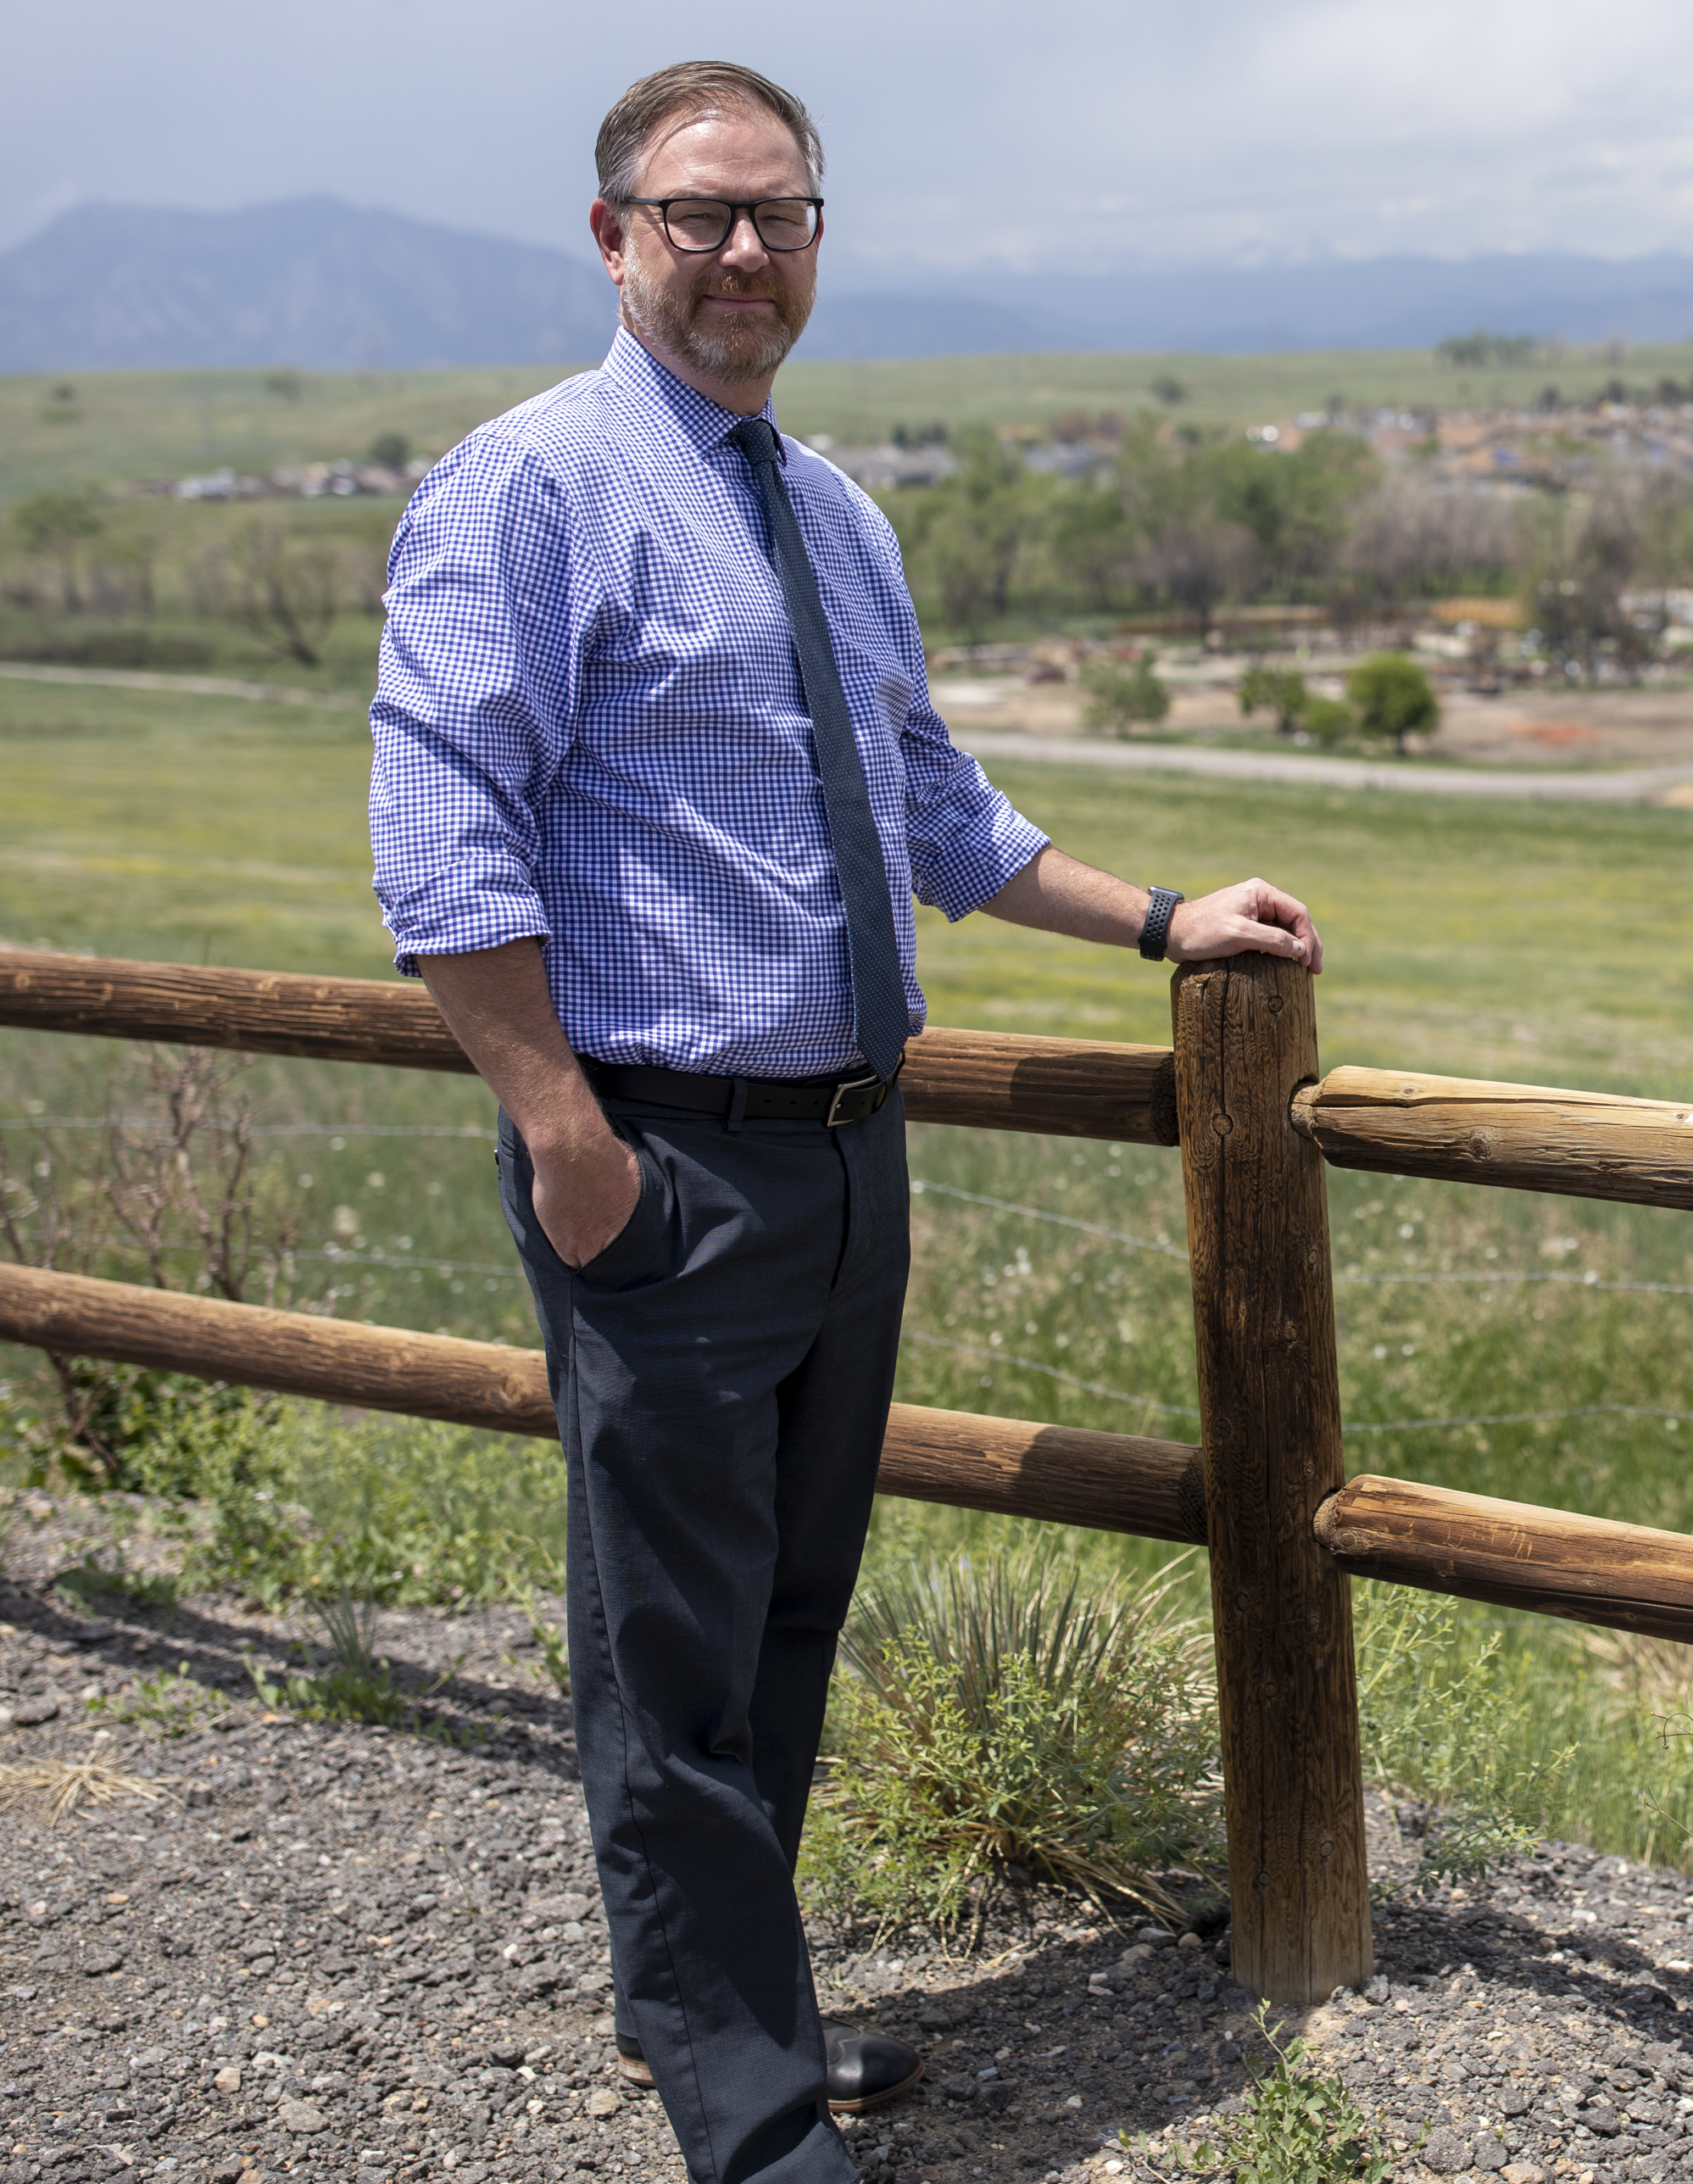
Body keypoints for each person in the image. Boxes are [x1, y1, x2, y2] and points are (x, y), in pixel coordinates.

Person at [367, 59, 1321, 2184]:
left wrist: (1163, 917)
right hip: (662, 1155)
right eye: (697, 216)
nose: (739, 256)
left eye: (778, 216)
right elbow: (442, 844)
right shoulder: (527, 492)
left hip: (841, 1151)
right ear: (612, 236)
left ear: (816, 243)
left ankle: (716, 1996)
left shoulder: (827, 511)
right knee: (676, 1639)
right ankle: (749, 2104)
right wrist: (561, 1130)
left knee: (787, 1602)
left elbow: (929, 809)